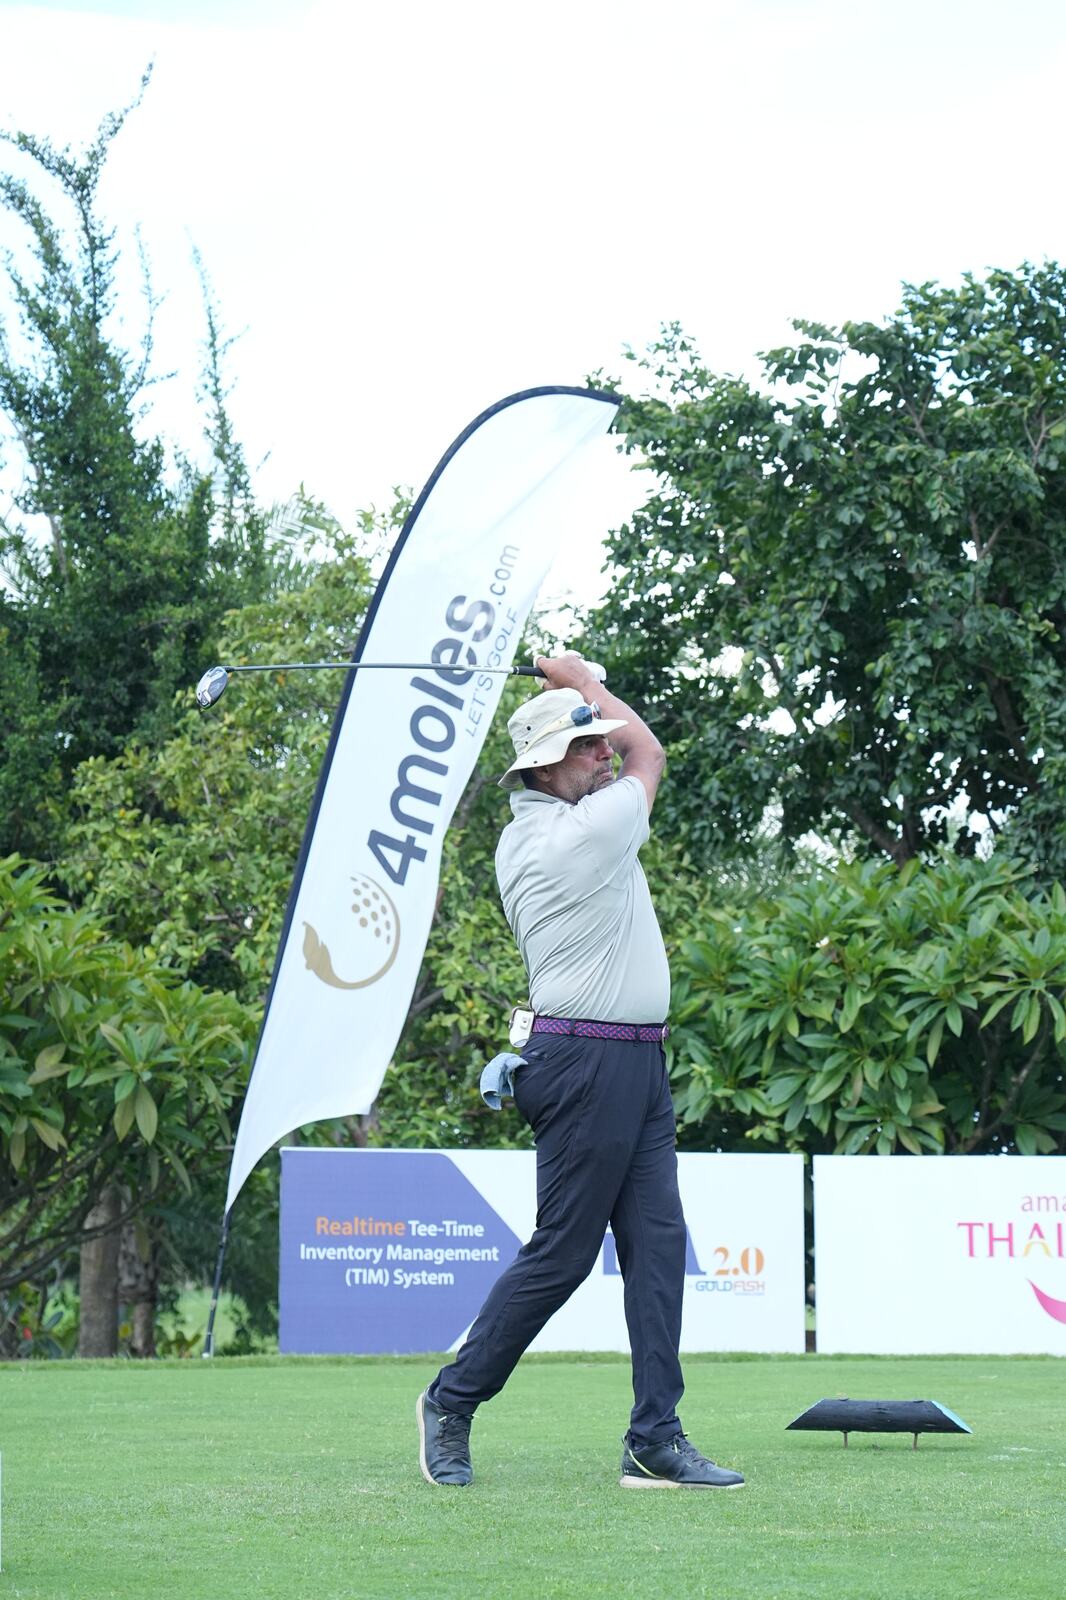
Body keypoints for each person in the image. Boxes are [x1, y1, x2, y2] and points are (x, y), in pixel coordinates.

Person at [416, 651, 745, 1491]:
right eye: (587, 748)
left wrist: (571, 699)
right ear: (544, 768)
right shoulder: (569, 837)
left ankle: (654, 1439)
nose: (605, 755)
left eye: (600, 745)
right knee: (563, 1254)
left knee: (658, 1246)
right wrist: (580, 679)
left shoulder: (572, 816)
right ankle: (451, 1401)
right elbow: (652, 754)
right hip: (584, 1063)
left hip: (636, 1064)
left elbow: (625, 755)